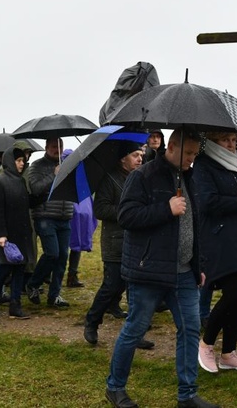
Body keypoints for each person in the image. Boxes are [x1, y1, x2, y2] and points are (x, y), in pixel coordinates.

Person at [106, 126, 219, 408]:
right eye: (189, 153)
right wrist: (165, 209)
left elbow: (194, 225)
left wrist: (198, 264)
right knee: (135, 329)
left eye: (195, 153)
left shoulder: (190, 177)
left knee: (191, 329)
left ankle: (188, 395)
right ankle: (115, 387)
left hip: (183, 272)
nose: (192, 158)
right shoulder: (142, 176)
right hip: (148, 271)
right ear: (172, 147)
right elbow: (127, 216)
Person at [193, 132, 237, 374]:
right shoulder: (204, 164)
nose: (231, 144)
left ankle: (228, 353)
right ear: (213, 141)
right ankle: (206, 343)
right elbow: (208, 202)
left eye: (234, 140)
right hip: (219, 238)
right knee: (233, 292)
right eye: (225, 139)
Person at [84, 144, 154, 350]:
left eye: (141, 155)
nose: (140, 159)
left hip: (137, 242)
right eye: (135, 155)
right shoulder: (109, 179)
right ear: (123, 159)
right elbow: (101, 209)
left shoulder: (140, 179)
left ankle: (135, 333)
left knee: (135, 287)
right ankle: (92, 321)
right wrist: (127, 211)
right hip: (115, 242)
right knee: (111, 286)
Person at [0, 145, 37, 319]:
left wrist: (45, 191)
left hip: (22, 232)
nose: (22, 163)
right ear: (10, 161)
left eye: (23, 160)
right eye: (19, 160)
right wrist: (1, 234)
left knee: (19, 269)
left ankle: (15, 304)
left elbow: (28, 202)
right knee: (5, 270)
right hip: (8, 234)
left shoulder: (20, 181)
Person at [25, 137, 74, 308]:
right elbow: (36, 187)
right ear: (46, 147)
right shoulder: (37, 166)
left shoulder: (69, 164)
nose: (57, 149)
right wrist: (54, 175)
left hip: (65, 215)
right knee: (52, 253)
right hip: (45, 215)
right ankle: (33, 283)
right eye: (54, 146)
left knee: (62, 257)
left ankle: (54, 295)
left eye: (60, 146)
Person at [62, 148, 96, 289]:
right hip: (68, 212)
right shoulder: (62, 174)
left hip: (81, 211)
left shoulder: (81, 173)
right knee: (64, 246)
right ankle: (59, 274)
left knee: (77, 243)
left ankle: (72, 274)